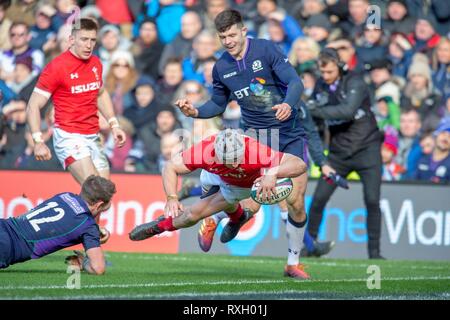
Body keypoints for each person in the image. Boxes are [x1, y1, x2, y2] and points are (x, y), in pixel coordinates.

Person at [174, 9, 325, 271]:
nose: (228, 41)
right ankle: (214, 218)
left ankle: (293, 264)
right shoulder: (221, 67)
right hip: (258, 139)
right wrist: (196, 111)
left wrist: (288, 104)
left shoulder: (266, 49)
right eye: (223, 37)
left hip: (290, 133)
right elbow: (218, 104)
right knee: (252, 205)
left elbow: (295, 82)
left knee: (296, 201)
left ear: (244, 30)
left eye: (232, 34)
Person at [129, 129, 310, 279]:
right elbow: (170, 167)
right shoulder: (204, 151)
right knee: (198, 212)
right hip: (212, 177)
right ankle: (234, 217)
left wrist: (272, 172)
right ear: (215, 153)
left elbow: (300, 165)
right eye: (226, 161)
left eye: (235, 160)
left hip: (242, 185)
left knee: (196, 214)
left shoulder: (255, 151)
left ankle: (162, 226)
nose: (231, 164)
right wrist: (172, 197)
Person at [26, 18, 126, 242]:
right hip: (69, 136)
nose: (88, 45)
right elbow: (33, 105)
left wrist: (114, 124)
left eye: (92, 40)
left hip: (93, 136)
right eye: (83, 40)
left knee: (105, 198)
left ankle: (85, 241)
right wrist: (37, 140)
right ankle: (89, 246)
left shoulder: (96, 64)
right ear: (71, 39)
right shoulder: (56, 67)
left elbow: (100, 94)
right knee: (97, 191)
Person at [306, 48, 385, 259]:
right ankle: (309, 247)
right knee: (318, 199)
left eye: (330, 72)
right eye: (322, 73)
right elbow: (312, 116)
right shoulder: (321, 86)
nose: (325, 77)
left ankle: (375, 254)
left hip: (367, 150)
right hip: (338, 154)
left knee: (371, 200)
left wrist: (311, 109)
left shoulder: (355, 82)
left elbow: (347, 111)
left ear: (340, 67)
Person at [0, 175, 116, 274]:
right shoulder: (88, 227)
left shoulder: (64, 196)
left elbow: (65, 220)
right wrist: (84, 261)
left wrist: (96, 230)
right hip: (6, 247)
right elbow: (98, 268)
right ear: (99, 204)